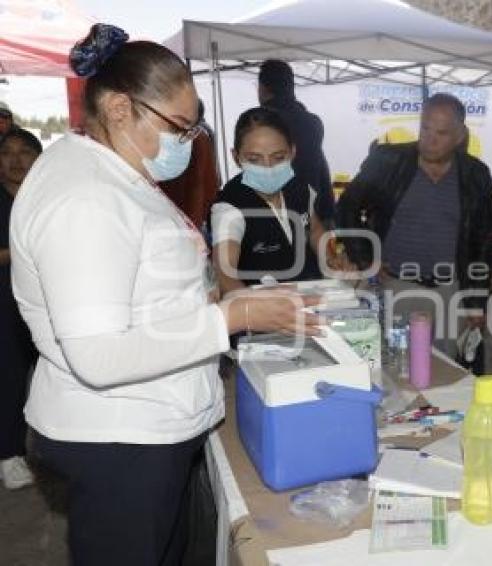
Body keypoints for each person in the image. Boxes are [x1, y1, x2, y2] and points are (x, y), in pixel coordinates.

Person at [11, 25, 322, 566]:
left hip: (146, 427)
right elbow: (99, 355)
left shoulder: (116, 176)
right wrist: (228, 314)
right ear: (118, 110)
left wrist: (206, 302)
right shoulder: (86, 198)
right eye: (179, 126)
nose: (190, 140)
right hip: (119, 439)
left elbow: (143, 292)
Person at [336, 93, 492, 358]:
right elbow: (347, 207)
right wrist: (366, 258)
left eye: (442, 133)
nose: (430, 139)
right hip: (398, 287)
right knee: (395, 366)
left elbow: (483, 240)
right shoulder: (388, 161)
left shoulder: (475, 173)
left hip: (450, 291)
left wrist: (476, 301)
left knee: (448, 370)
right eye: (425, 128)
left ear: (459, 136)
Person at [211, 106, 340, 293]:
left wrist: (330, 257)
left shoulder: (300, 187)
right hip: (262, 308)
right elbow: (224, 273)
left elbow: (314, 230)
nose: (268, 167)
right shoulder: (229, 207)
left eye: (278, 157)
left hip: (310, 292)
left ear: (292, 152)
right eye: (254, 159)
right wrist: (250, 307)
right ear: (236, 157)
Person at [0, 129, 41, 490]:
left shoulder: (47, 197)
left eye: (25, 152)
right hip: (5, 308)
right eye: (7, 153)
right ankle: (9, 455)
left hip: (45, 303)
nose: (15, 161)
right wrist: (24, 249)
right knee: (10, 380)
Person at [258, 59, 334, 224]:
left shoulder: (261, 123)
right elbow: (320, 166)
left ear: (264, 88)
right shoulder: (313, 122)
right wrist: (328, 214)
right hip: (312, 214)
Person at [159, 99, 220, 228]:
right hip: (181, 213)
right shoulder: (201, 135)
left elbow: (197, 183)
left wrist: (194, 224)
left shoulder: (197, 138)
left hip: (186, 215)